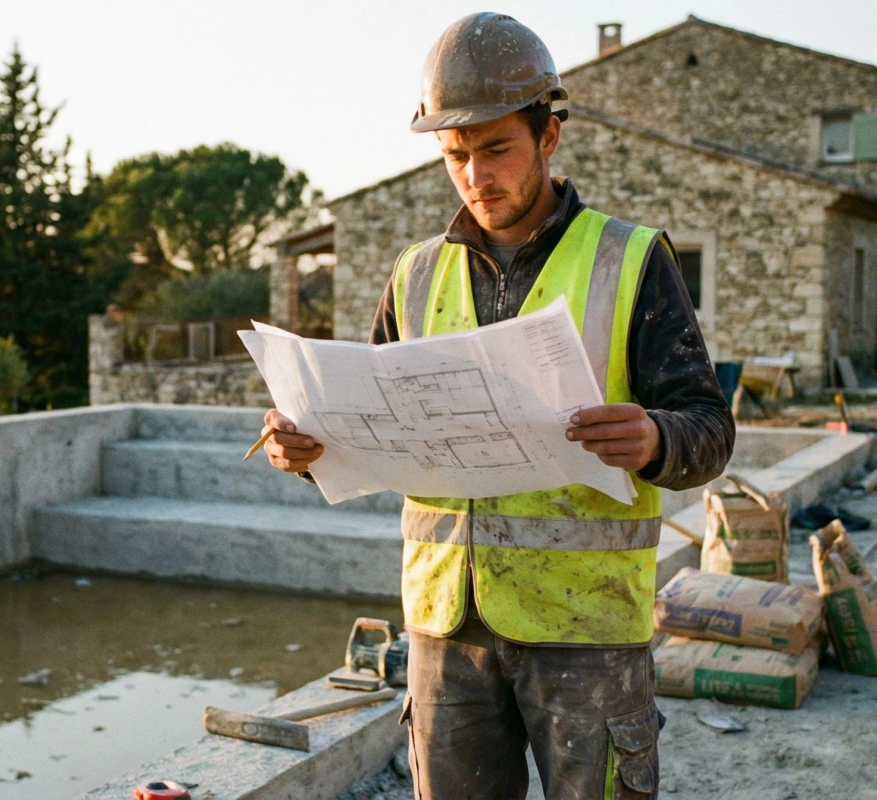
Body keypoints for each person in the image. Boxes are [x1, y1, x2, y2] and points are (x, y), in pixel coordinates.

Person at [261, 13, 734, 799]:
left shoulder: (630, 259)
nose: (477, 176)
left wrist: (654, 436)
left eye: (496, 149)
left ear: (549, 137)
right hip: (446, 630)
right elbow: (364, 433)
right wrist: (306, 451)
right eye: (456, 156)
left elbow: (709, 432)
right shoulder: (414, 276)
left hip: (587, 632)